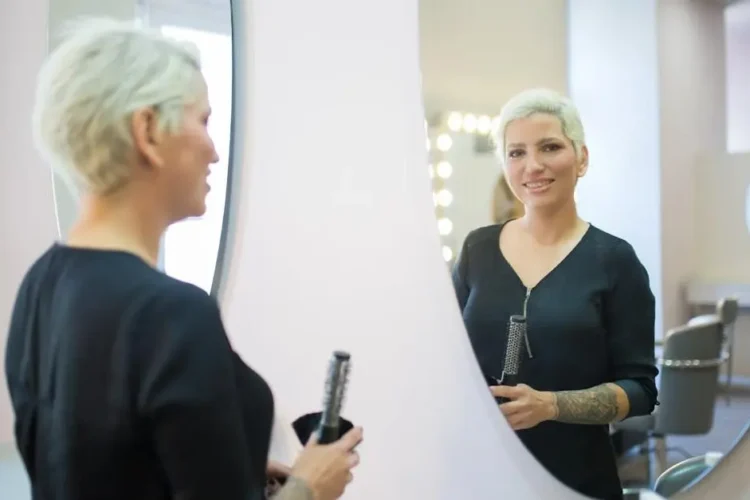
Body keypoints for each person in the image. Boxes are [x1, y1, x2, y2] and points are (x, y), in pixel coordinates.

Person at [4, 18, 362, 500]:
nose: (214, 151)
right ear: (148, 130)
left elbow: (103, 464)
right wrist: (309, 487)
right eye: (203, 122)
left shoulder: (40, 286)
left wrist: (234, 470)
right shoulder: (171, 315)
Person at [451, 88, 658, 500]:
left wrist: (551, 405)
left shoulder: (614, 260)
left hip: (576, 478)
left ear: (581, 158)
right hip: (482, 474)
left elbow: (640, 391)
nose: (533, 166)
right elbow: (449, 357)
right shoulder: (478, 249)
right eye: (516, 153)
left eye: (549, 147)